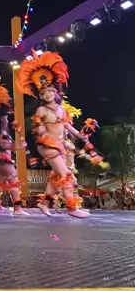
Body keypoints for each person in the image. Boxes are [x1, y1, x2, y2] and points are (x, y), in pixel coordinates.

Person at [18, 51, 89, 218]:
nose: (47, 94)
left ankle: (43, 203)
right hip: (47, 145)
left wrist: (80, 136)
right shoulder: (41, 110)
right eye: (43, 93)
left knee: (56, 176)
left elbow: (67, 126)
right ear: (41, 97)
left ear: (56, 92)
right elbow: (37, 128)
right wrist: (40, 129)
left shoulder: (62, 109)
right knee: (66, 175)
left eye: (49, 91)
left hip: (59, 145)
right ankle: (72, 208)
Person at [0, 80, 28, 215]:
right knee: (13, 179)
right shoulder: (2, 128)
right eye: (6, 118)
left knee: (3, 185)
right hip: (3, 159)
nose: (7, 120)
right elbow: (2, 143)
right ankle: (17, 209)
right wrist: (18, 147)